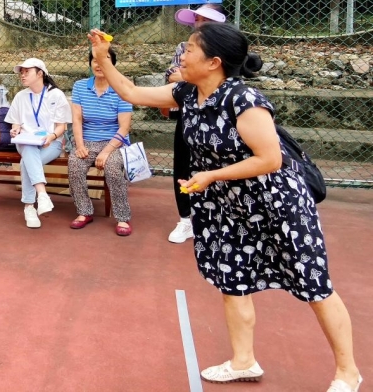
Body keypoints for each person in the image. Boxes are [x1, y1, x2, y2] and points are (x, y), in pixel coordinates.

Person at [87, 23, 361, 392]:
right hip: (228, 206)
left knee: (314, 285)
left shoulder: (244, 100)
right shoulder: (187, 93)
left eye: (189, 50)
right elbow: (133, 93)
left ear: (213, 62)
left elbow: (270, 159)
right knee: (232, 280)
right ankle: (243, 361)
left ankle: (348, 373)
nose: (181, 55)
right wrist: (103, 57)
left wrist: (213, 175)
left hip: (278, 204)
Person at [166, 4, 227, 244]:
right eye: (197, 19)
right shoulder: (184, 47)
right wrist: (196, 77)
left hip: (219, 116)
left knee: (218, 167)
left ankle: (219, 219)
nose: (199, 23)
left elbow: (228, 79)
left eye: (205, 19)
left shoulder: (229, 46)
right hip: (187, 113)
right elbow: (171, 75)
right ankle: (185, 220)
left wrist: (189, 77)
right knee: (182, 165)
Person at [68, 48, 134, 235]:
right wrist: (79, 145)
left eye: (104, 60)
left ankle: (122, 217)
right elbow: (77, 120)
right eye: (95, 60)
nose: (98, 64)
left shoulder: (122, 88)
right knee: (74, 163)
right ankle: (84, 212)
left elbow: (124, 127)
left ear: (112, 64)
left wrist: (106, 152)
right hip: (87, 140)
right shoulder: (80, 86)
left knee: (113, 168)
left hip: (114, 142)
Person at [5, 58, 72, 229]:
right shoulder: (21, 96)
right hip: (26, 142)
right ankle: (42, 195)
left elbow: (61, 127)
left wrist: (51, 136)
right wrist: (15, 129)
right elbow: (15, 122)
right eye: (21, 71)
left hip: (51, 143)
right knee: (28, 149)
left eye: (27, 71)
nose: (23, 75)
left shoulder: (56, 95)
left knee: (25, 162)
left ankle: (29, 206)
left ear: (40, 73)